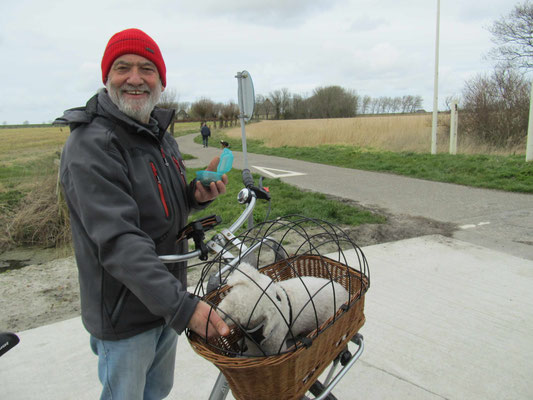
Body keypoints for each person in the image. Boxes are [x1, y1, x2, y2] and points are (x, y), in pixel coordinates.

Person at [55, 28, 230, 400]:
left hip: (165, 303)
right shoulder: (92, 144)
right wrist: (184, 308)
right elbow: (119, 241)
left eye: (147, 69)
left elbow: (162, 209)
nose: (135, 79)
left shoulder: (159, 134)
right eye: (123, 68)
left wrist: (195, 195)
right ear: (107, 77)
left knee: (157, 393)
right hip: (126, 315)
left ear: (160, 81)